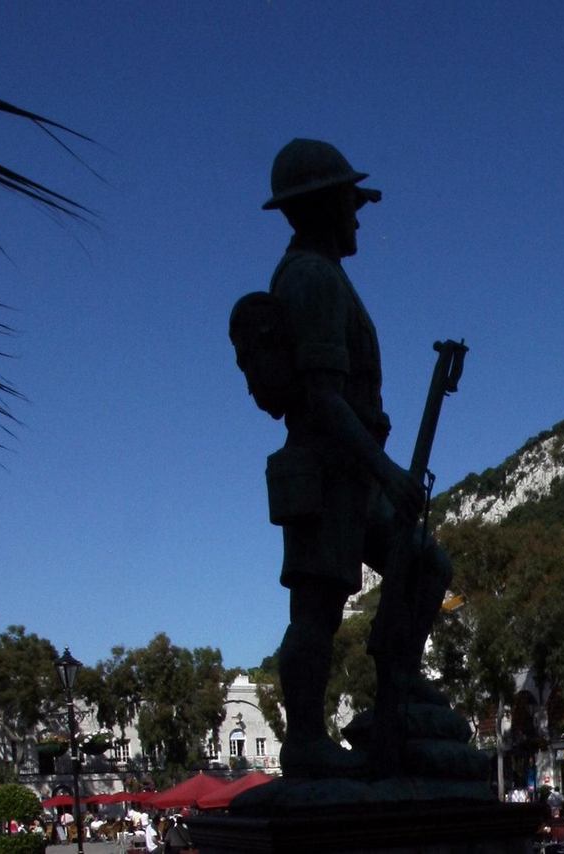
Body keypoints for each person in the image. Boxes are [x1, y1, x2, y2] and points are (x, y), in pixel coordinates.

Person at [241, 138, 450, 778]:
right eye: (351, 204)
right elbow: (323, 398)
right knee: (318, 610)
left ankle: (398, 679)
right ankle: (305, 738)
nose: (358, 217)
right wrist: (387, 471)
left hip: (353, 474)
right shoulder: (310, 278)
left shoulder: (325, 276)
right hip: (327, 471)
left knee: (426, 563)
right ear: (324, 206)